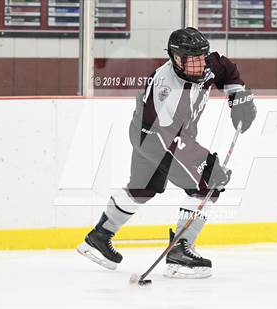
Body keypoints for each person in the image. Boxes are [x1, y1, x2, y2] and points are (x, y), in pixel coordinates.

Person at [77, 27, 256, 278]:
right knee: (209, 183)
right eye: (190, 60)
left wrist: (239, 97)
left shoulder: (205, 63)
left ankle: (99, 236)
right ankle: (180, 252)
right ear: (175, 58)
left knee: (143, 188)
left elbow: (226, 69)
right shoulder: (166, 88)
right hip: (156, 138)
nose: (198, 66)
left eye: (201, 58)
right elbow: (168, 139)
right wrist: (206, 164)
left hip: (142, 132)